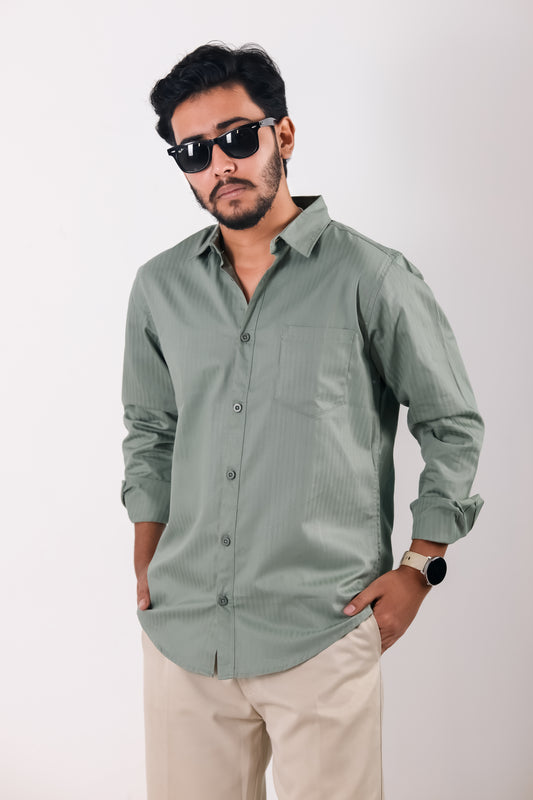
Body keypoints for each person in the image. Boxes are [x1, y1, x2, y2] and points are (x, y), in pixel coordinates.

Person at [120, 42, 484, 800]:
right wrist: (147, 558)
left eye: (236, 137)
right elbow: (151, 430)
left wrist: (420, 566)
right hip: (185, 633)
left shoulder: (372, 276)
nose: (219, 164)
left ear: (282, 134)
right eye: (193, 152)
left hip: (323, 628)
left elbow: (450, 420)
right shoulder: (159, 287)